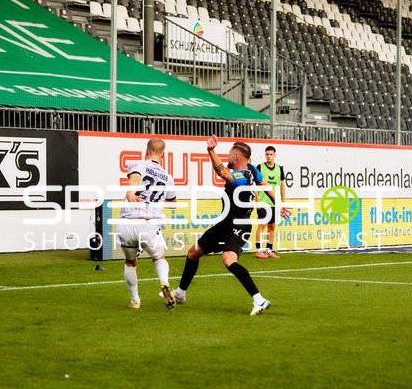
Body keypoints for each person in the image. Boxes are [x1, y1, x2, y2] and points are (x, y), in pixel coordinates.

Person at [172, 135, 287, 316]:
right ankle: (180, 294)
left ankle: (259, 299)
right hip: (225, 223)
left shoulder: (241, 176)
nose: (227, 156)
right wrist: (278, 203)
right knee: (193, 253)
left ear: (236, 157)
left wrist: (211, 151)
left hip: (239, 225)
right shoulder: (252, 170)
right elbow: (265, 185)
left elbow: (222, 173)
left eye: (229, 153)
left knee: (228, 260)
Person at [117, 138, 177, 310]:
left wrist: (130, 191)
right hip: (148, 223)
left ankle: (135, 300)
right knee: (159, 258)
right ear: (163, 155)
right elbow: (173, 203)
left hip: (127, 221)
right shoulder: (167, 177)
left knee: (130, 262)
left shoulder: (138, 164)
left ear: (146, 151)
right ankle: (164, 283)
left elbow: (135, 179)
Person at [254, 145, 286, 258]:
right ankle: (258, 250)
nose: (269, 156)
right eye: (267, 154)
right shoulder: (260, 167)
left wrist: (282, 202)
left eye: (271, 154)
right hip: (263, 202)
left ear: (275, 155)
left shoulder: (280, 169)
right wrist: (257, 200)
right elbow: (256, 186)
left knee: (272, 226)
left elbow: (282, 186)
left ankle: (269, 250)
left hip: (275, 203)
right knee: (261, 225)